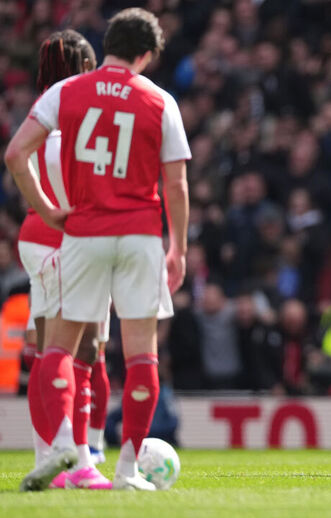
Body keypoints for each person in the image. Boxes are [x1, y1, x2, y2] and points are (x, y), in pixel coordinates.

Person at [6, 8, 190, 491]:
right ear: (146, 54)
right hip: (140, 235)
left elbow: (15, 154)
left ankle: (64, 442)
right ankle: (127, 470)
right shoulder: (160, 99)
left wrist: (45, 210)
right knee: (139, 357)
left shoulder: (64, 93)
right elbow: (176, 184)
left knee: (58, 347)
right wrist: (180, 248)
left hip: (82, 233)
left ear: (106, 41)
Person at [15, 29, 114, 490]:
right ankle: (77, 456)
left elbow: (19, 158)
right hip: (68, 238)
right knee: (82, 351)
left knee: (49, 350)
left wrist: (39, 204)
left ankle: (54, 454)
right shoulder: (83, 116)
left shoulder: (42, 115)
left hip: (38, 235)